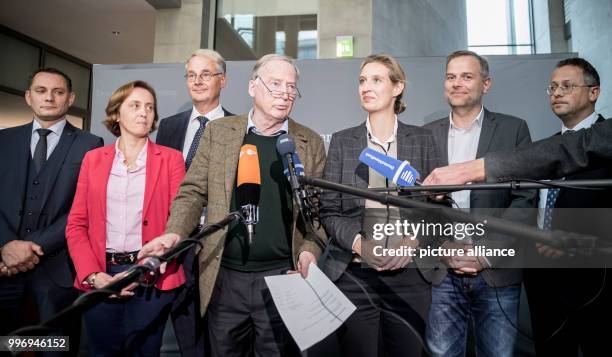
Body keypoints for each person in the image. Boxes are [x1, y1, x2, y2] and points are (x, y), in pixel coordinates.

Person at [138, 54, 326, 357]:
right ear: (253, 87)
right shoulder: (219, 132)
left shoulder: (309, 142)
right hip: (224, 279)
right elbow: (193, 191)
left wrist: (309, 250)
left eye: (291, 87)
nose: (285, 93)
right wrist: (174, 234)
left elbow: (317, 213)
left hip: (281, 280)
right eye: (275, 84)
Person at [318, 53, 440, 357]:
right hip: (355, 274)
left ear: (397, 87)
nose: (365, 87)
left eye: (376, 80)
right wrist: (360, 245)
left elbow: (440, 208)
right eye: (362, 81)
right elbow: (329, 210)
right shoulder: (343, 142)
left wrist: (412, 243)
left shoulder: (423, 140)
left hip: (411, 274)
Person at [423, 51, 537, 357]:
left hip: (497, 272)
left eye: (466, 76)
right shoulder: (426, 134)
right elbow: (417, 203)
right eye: (450, 76)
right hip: (443, 272)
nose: (456, 83)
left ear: (486, 84)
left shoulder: (514, 130)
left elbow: (525, 201)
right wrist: (442, 246)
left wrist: (487, 252)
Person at [65, 80, 186, 356]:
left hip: (150, 279)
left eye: (150, 107)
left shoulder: (171, 160)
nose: (144, 113)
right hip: (100, 276)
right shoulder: (93, 159)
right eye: (135, 105)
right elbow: (76, 225)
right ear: (117, 113)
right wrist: (94, 275)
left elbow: (179, 221)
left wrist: (144, 269)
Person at [0, 68, 103, 351]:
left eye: (58, 92)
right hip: (4, 264)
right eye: (41, 91)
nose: (49, 98)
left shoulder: (90, 144)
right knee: (7, 345)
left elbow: (83, 208)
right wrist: (7, 245)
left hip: (56, 266)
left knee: (54, 346)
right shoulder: (3, 140)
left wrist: (31, 247)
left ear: (70, 99)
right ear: (28, 97)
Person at [523, 57, 612, 356]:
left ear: (594, 92)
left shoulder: (608, 145)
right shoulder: (544, 148)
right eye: (552, 87)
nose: (556, 93)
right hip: (543, 280)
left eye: (567, 86)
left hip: (596, 281)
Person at [155, 48, 233, 356]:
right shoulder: (169, 126)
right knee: (184, 333)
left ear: (222, 81)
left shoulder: (237, 127)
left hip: (216, 245)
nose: (197, 81)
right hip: (173, 241)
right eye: (191, 75)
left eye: (206, 74)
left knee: (217, 331)